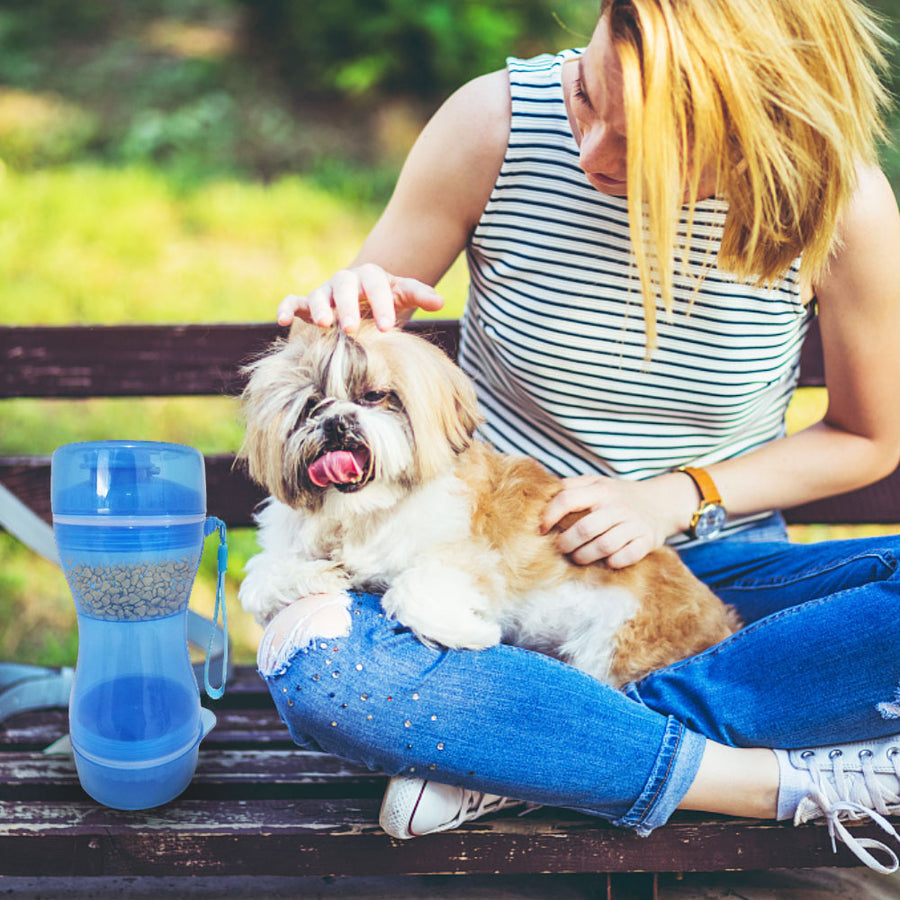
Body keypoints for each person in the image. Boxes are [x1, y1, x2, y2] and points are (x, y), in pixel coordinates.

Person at [261, 0, 900, 872]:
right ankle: (760, 780)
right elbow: (367, 350)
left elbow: (867, 439)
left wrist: (679, 496)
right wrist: (346, 311)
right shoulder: (494, 125)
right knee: (320, 668)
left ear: (756, 122)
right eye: (590, 99)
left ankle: (527, 748)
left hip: (706, 582)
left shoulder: (842, 209)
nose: (592, 154)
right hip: (465, 571)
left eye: (645, 146)